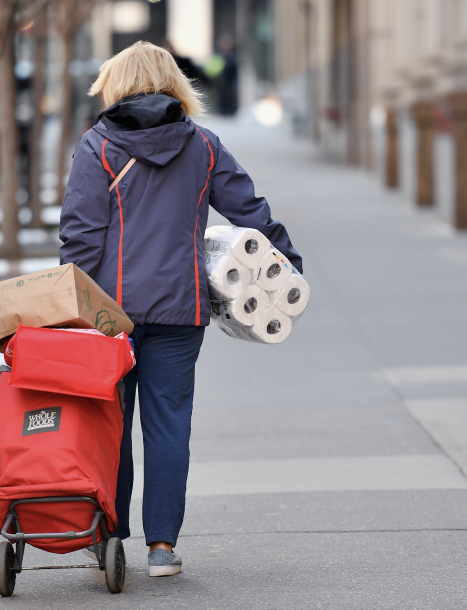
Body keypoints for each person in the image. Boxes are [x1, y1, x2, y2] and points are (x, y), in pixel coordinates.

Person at [59, 41, 302, 577]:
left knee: (110, 426)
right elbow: (249, 212)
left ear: (116, 84)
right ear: (175, 83)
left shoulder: (98, 146)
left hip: (108, 317)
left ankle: (110, 539)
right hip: (180, 308)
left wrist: (68, 309)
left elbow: (79, 238)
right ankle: (162, 548)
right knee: (170, 424)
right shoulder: (204, 146)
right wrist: (288, 262)